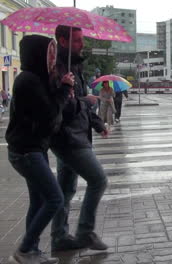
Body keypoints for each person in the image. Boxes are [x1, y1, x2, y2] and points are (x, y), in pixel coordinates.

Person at [5, 35, 74, 264]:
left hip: (33, 149)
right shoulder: (29, 81)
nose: (52, 59)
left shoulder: (35, 79)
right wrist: (64, 90)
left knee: (38, 200)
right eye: (49, 53)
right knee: (54, 199)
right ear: (38, 55)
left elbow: (49, 110)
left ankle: (31, 251)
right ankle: (25, 249)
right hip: (27, 151)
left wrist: (61, 88)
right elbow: (49, 117)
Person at [49, 25, 109, 252]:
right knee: (98, 180)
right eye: (77, 40)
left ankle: (59, 237)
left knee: (65, 190)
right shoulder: (58, 68)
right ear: (63, 41)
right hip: (68, 137)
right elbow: (63, 106)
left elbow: (80, 101)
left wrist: (97, 123)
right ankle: (85, 232)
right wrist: (86, 101)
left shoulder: (74, 65)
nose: (82, 44)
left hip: (75, 134)